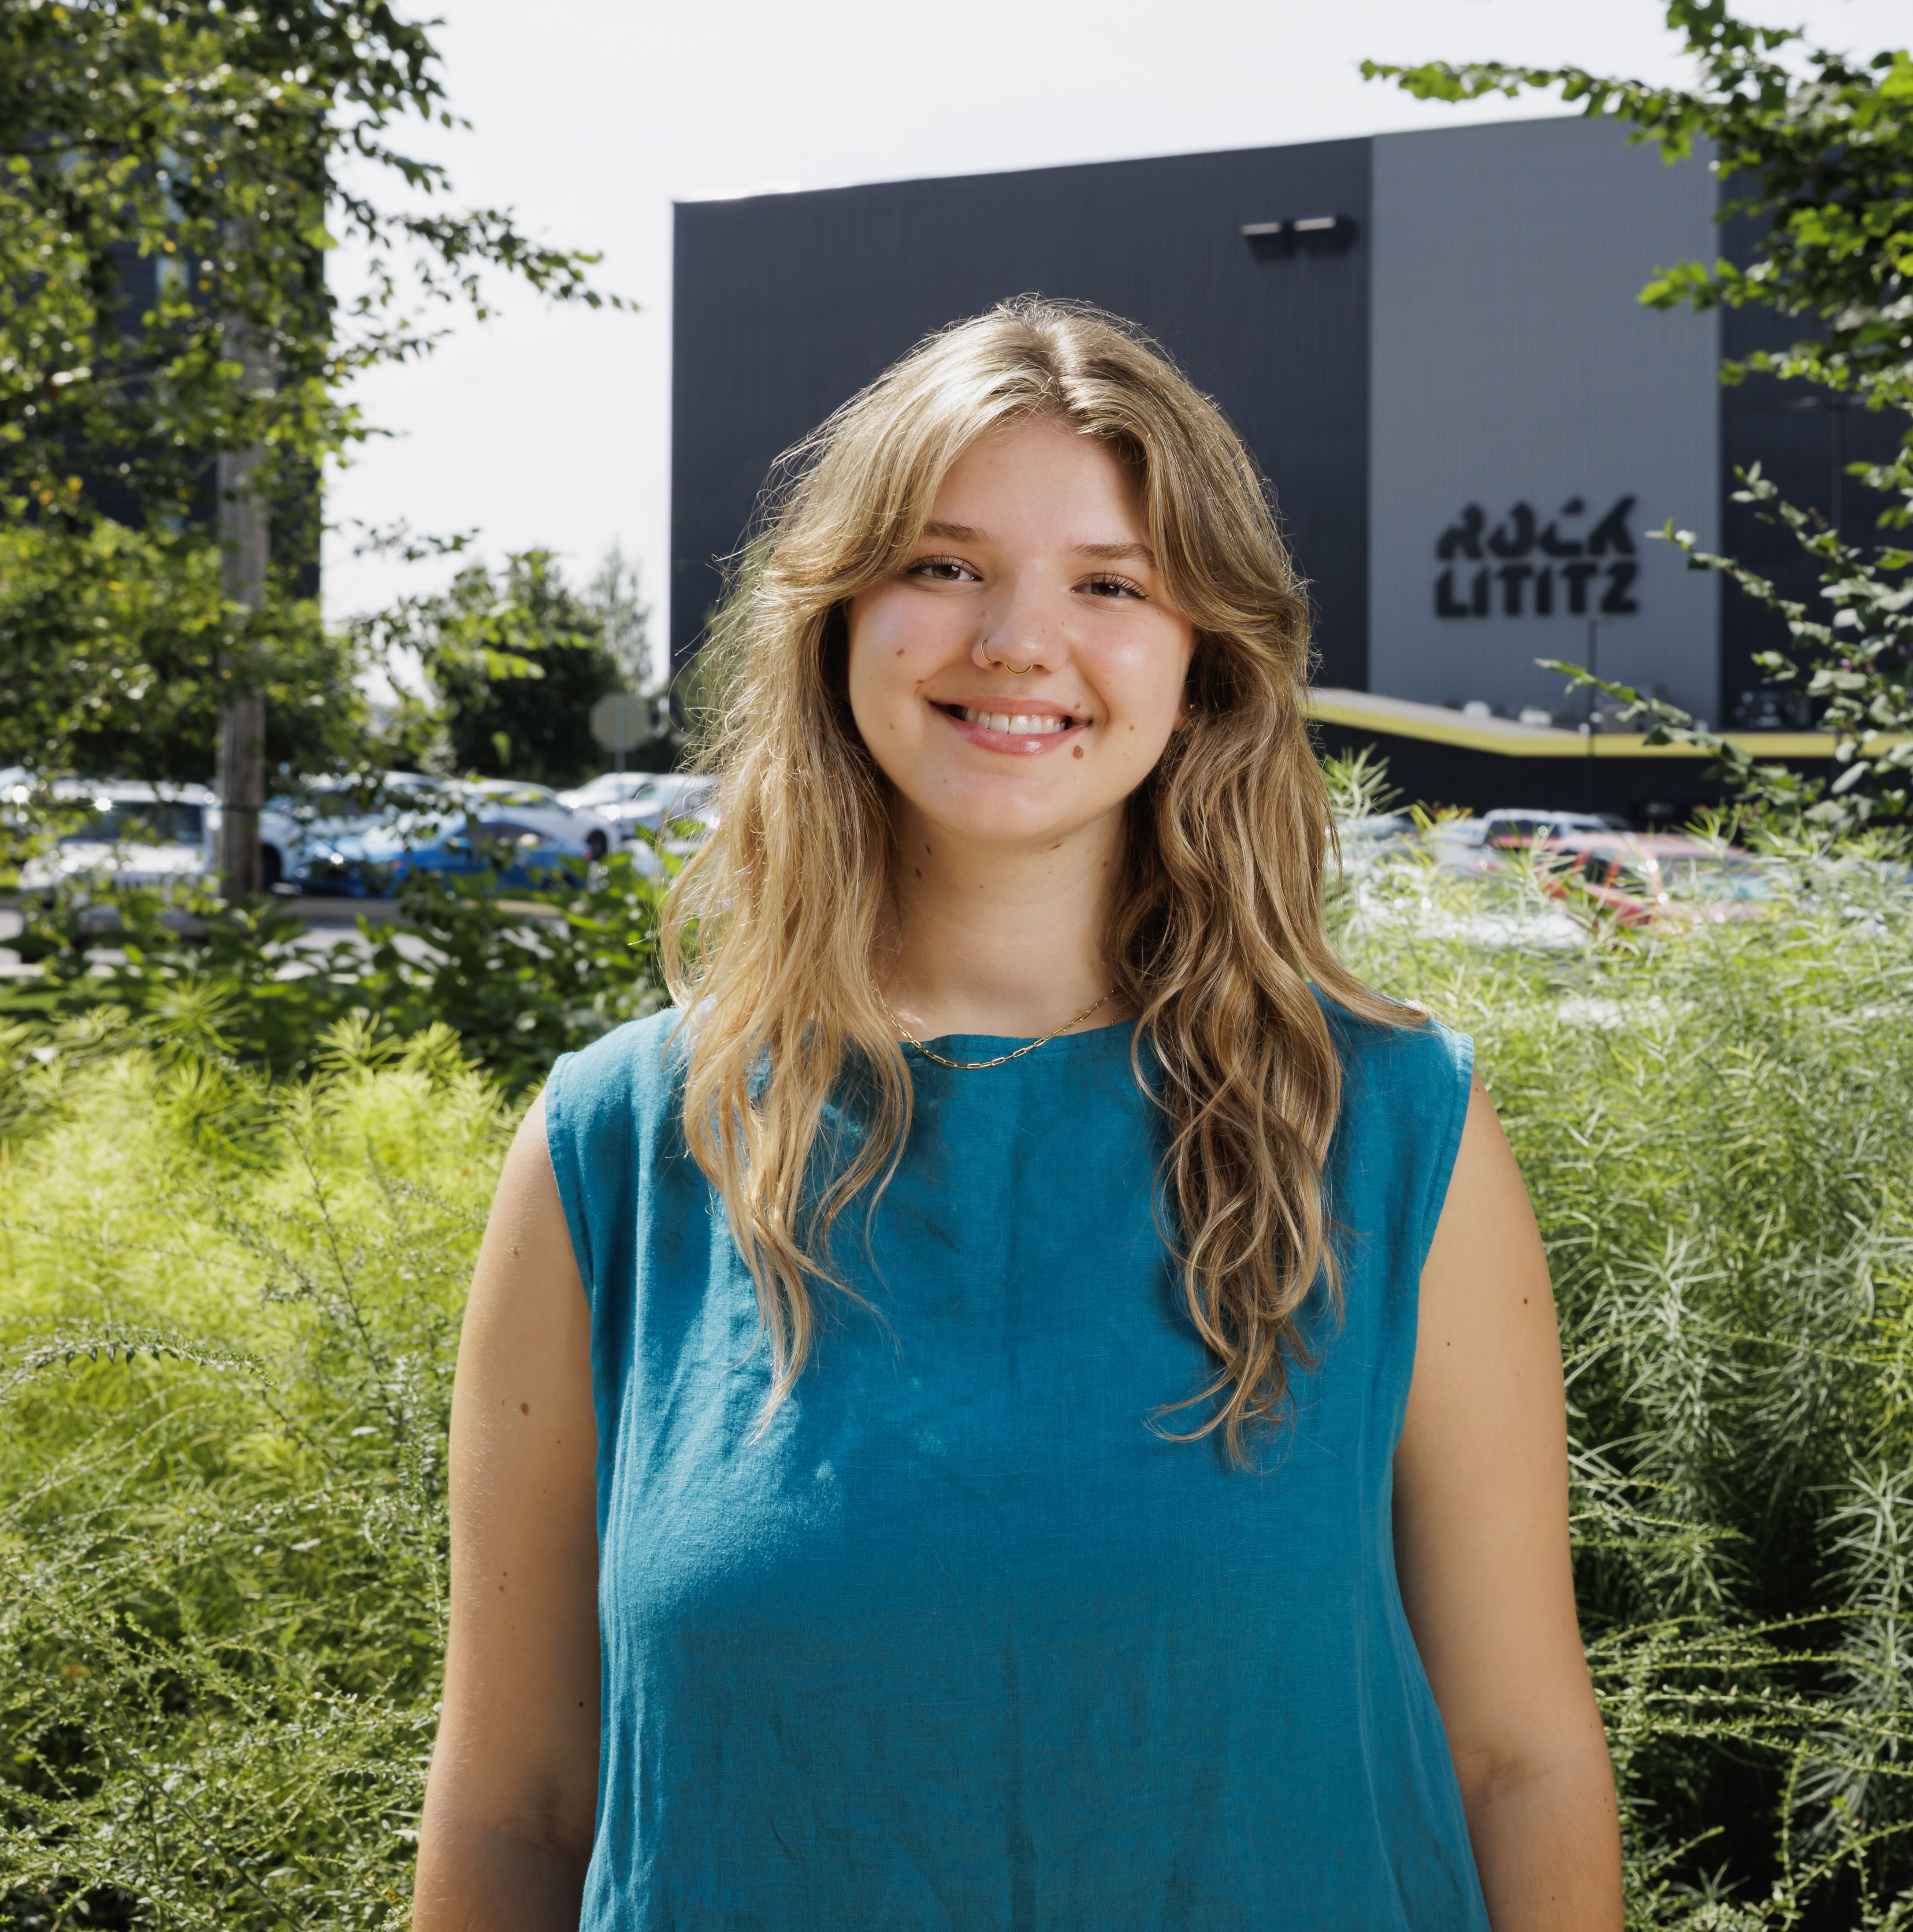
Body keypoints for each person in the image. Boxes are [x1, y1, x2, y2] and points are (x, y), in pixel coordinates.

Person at [414, 298, 1621, 1930]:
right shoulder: (620, 1148)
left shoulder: (1397, 1132)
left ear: (1203, 665)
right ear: (840, 621)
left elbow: (1519, 1764)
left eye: (1111, 584)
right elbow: (516, 1810)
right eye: (943, 565)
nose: (1017, 641)